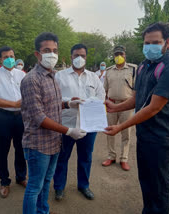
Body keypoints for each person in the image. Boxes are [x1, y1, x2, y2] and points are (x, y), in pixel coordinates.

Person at [104, 22, 169, 214]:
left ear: (167, 42)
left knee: (159, 182)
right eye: (147, 43)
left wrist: (121, 126)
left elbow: (153, 108)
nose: (150, 47)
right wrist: (115, 107)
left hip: (163, 136)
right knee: (146, 179)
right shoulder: (143, 67)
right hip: (145, 133)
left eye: (156, 42)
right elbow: (136, 99)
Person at [20, 32, 87, 214]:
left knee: (47, 180)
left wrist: (67, 103)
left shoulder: (53, 76)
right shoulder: (31, 80)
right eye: (47, 50)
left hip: (53, 142)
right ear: (37, 54)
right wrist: (68, 131)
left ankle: (43, 211)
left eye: (55, 50)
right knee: (35, 185)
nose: (52, 54)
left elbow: (50, 104)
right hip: (38, 144)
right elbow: (39, 117)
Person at [53, 44, 105, 201]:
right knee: (62, 157)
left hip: (89, 124)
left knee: (86, 157)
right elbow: (53, 99)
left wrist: (89, 102)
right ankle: (59, 187)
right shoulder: (60, 76)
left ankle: (84, 185)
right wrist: (70, 101)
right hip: (65, 124)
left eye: (82, 55)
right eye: (76, 55)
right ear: (71, 57)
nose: (79, 58)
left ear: (86, 57)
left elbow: (102, 96)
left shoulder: (93, 77)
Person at [0, 46, 27, 198]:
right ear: (1, 59)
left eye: (12, 55)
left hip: (21, 117)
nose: (9, 59)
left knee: (21, 149)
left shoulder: (21, 75)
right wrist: (13, 104)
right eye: (6, 56)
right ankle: (4, 181)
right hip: (3, 117)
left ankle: (21, 177)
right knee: (3, 151)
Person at [102, 46, 137, 171]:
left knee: (126, 133)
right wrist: (105, 102)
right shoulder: (109, 70)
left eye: (121, 54)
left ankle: (124, 159)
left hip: (126, 105)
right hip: (111, 105)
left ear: (125, 55)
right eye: (116, 54)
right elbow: (105, 89)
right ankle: (111, 156)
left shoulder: (133, 69)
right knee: (109, 131)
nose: (118, 56)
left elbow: (136, 89)